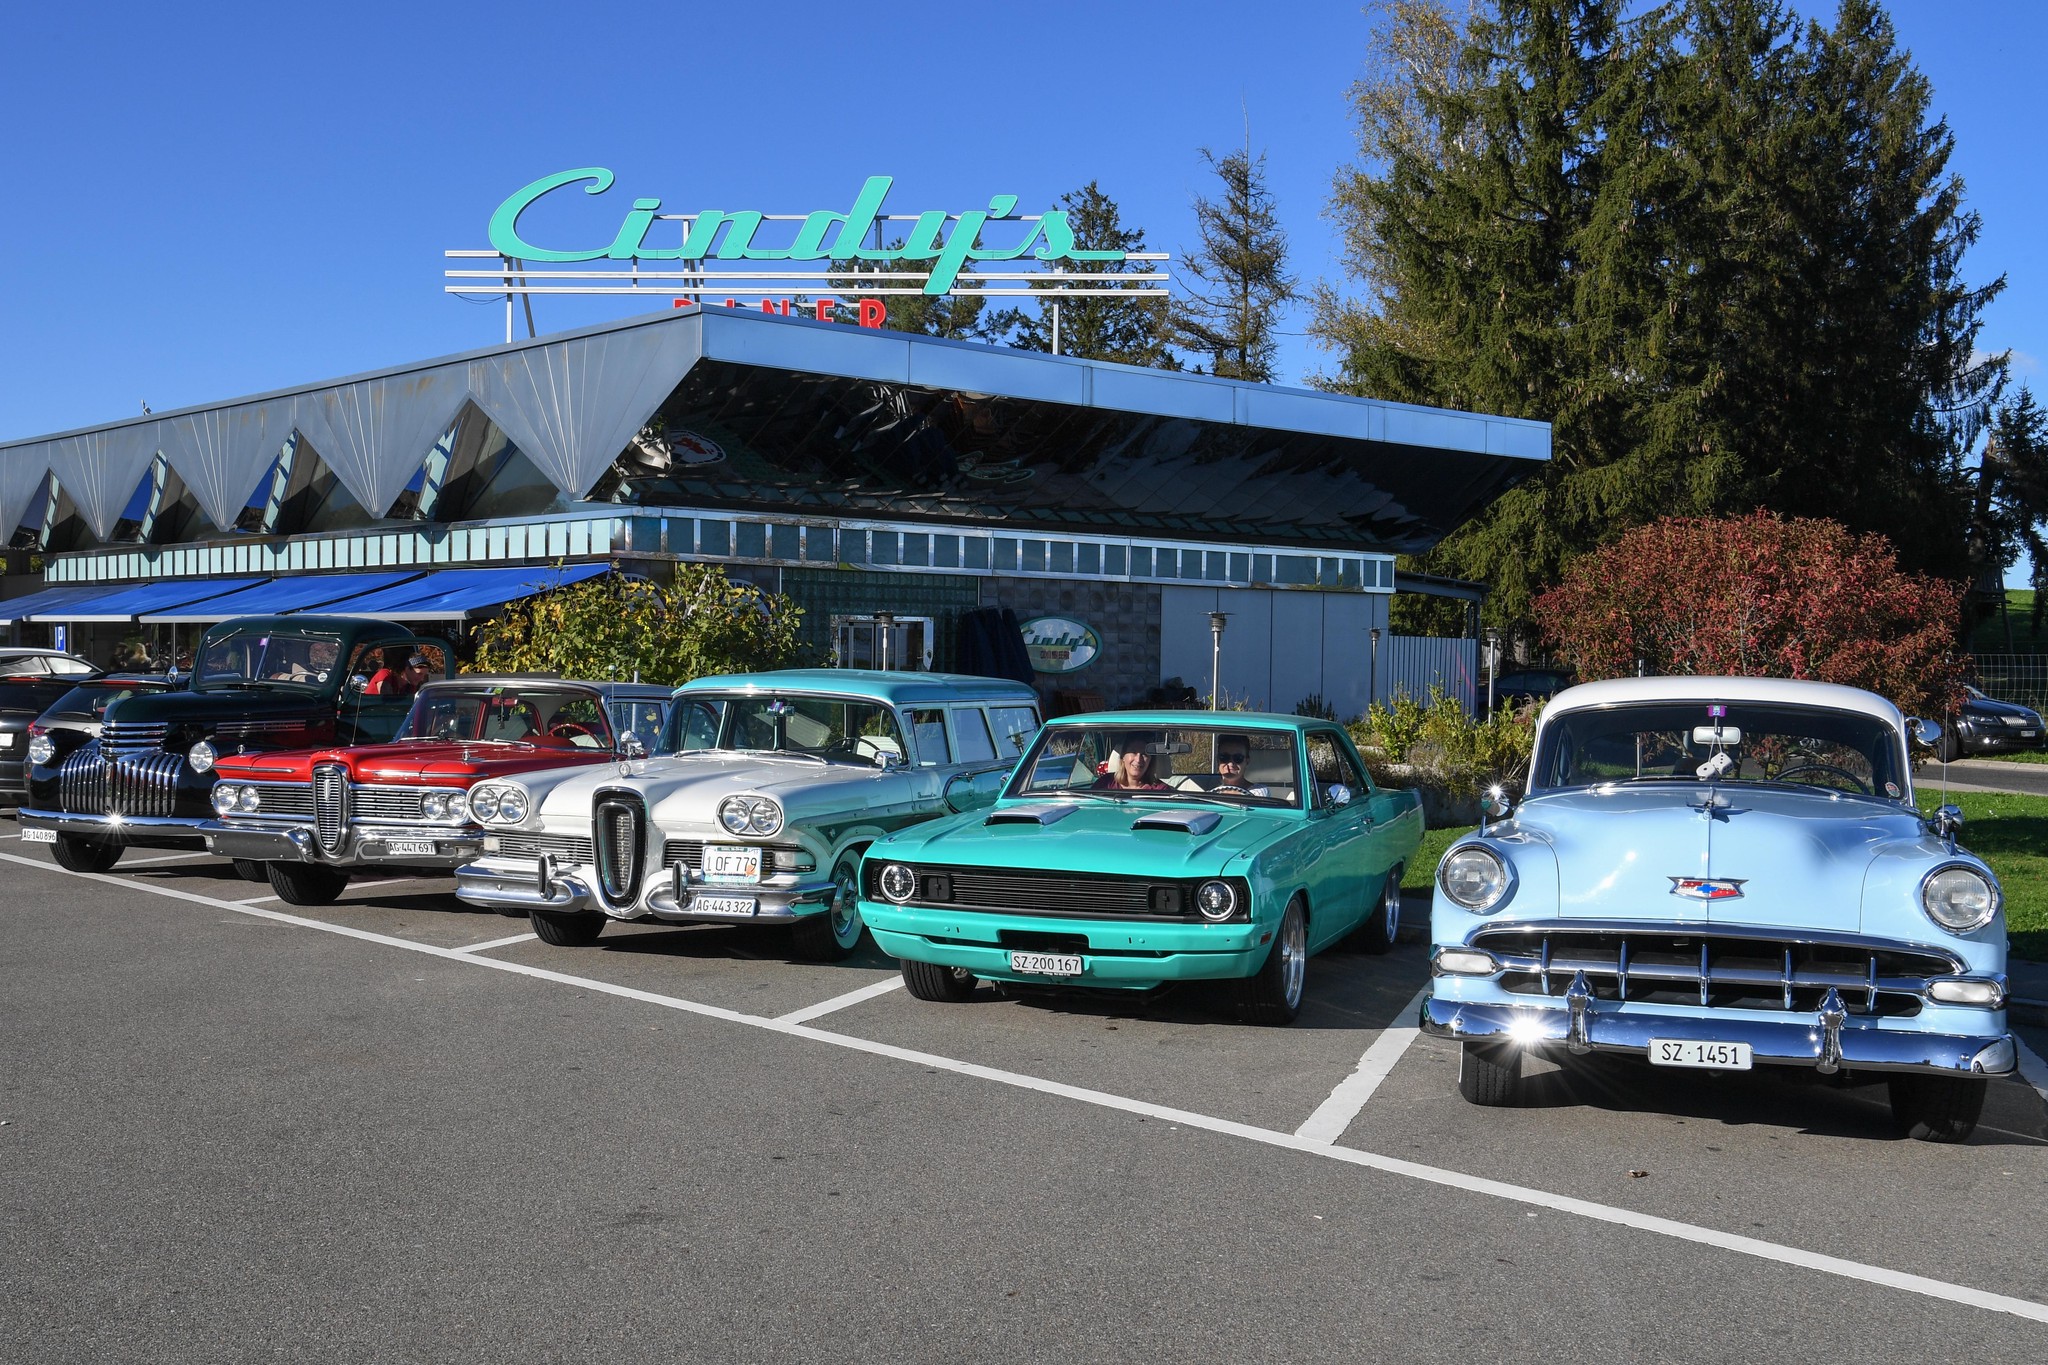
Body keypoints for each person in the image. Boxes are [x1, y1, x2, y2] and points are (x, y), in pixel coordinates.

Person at [1093, 733, 1170, 791]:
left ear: (1150, 760)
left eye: (1144, 754)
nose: (1138, 759)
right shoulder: (1106, 784)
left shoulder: (1161, 790)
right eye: (1133, 752)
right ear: (1123, 756)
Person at [366, 651, 432, 699]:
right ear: (407, 669)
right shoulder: (385, 675)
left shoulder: (410, 686)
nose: (422, 679)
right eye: (419, 674)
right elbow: (387, 701)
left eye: (424, 675)